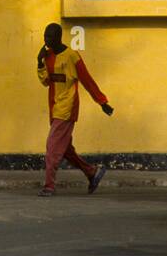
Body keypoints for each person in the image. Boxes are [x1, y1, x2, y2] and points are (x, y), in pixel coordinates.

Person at [37, 22, 113, 197]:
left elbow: (87, 80)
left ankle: (49, 186)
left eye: (49, 37)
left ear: (58, 38)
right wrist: (39, 62)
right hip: (55, 108)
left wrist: (102, 102)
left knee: (52, 147)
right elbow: (45, 82)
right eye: (44, 37)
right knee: (65, 150)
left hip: (67, 108)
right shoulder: (48, 56)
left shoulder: (72, 56)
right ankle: (92, 172)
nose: (46, 40)